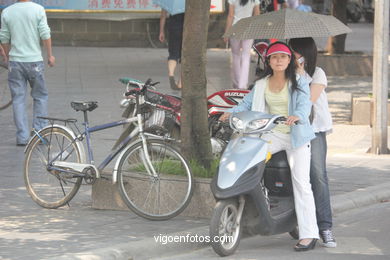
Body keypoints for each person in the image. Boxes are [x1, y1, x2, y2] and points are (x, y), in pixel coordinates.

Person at [220, 42, 319, 251]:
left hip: (296, 136)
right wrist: (232, 112)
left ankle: (309, 234)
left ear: (289, 60)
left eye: (283, 57)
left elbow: (304, 104)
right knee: (247, 161)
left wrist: (297, 116)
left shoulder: (298, 81)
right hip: (271, 133)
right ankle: (259, 204)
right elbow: (246, 104)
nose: (279, 61)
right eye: (274, 57)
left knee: (302, 183)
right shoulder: (262, 83)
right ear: (268, 61)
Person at [289, 37, 336, 248]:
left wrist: (299, 77)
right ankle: (301, 224)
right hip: (292, 129)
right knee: (296, 176)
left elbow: (308, 101)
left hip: (314, 130)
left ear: (305, 54)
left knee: (317, 175)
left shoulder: (317, 73)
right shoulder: (286, 73)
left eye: (294, 53)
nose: (291, 57)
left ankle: (325, 226)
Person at [0, 0, 55, 146]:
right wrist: (50, 55)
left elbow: (4, 37)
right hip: (35, 61)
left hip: (15, 62)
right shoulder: (38, 9)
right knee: (41, 97)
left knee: (18, 99)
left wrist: (6, 55)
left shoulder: (7, 12)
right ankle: (39, 135)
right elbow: (45, 33)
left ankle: (22, 137)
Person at [224, 0, 260, 90]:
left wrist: (227, 32)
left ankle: (236, 83)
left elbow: (230, 16)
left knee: (235, 56)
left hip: (235, 28)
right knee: (246, 56)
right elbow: (257, 14)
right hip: (248, 28)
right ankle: (243, 85)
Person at [159, 10, 184, 91]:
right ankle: (180, 83)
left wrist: (161, 31)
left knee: (173, 54)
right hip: (187, 28)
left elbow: (163, 16)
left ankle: (171, 74)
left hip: (173, 28)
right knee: (184, 56)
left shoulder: (171, 3)